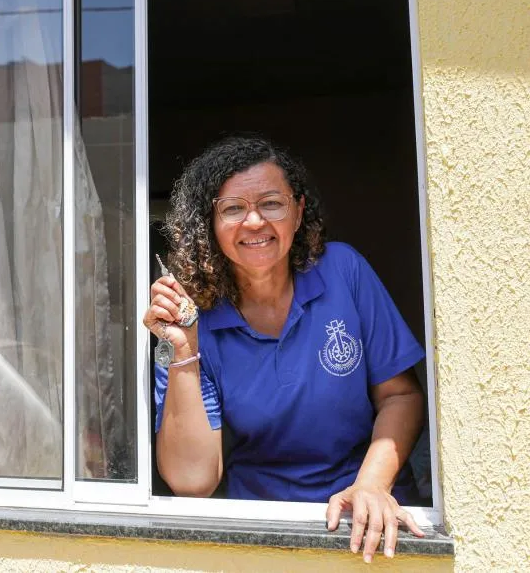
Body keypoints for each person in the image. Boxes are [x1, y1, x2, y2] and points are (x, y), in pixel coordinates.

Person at [144, 136, 426, 562]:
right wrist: (184, 351)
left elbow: (401, 395)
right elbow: (193, 481)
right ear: (210, 225)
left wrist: (370, 485)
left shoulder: (343, 270)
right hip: (268, 531)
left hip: (369, 520)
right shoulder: (193, 318)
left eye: (272, 203)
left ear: (298, 212)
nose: (254, 221)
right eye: (233, 209)